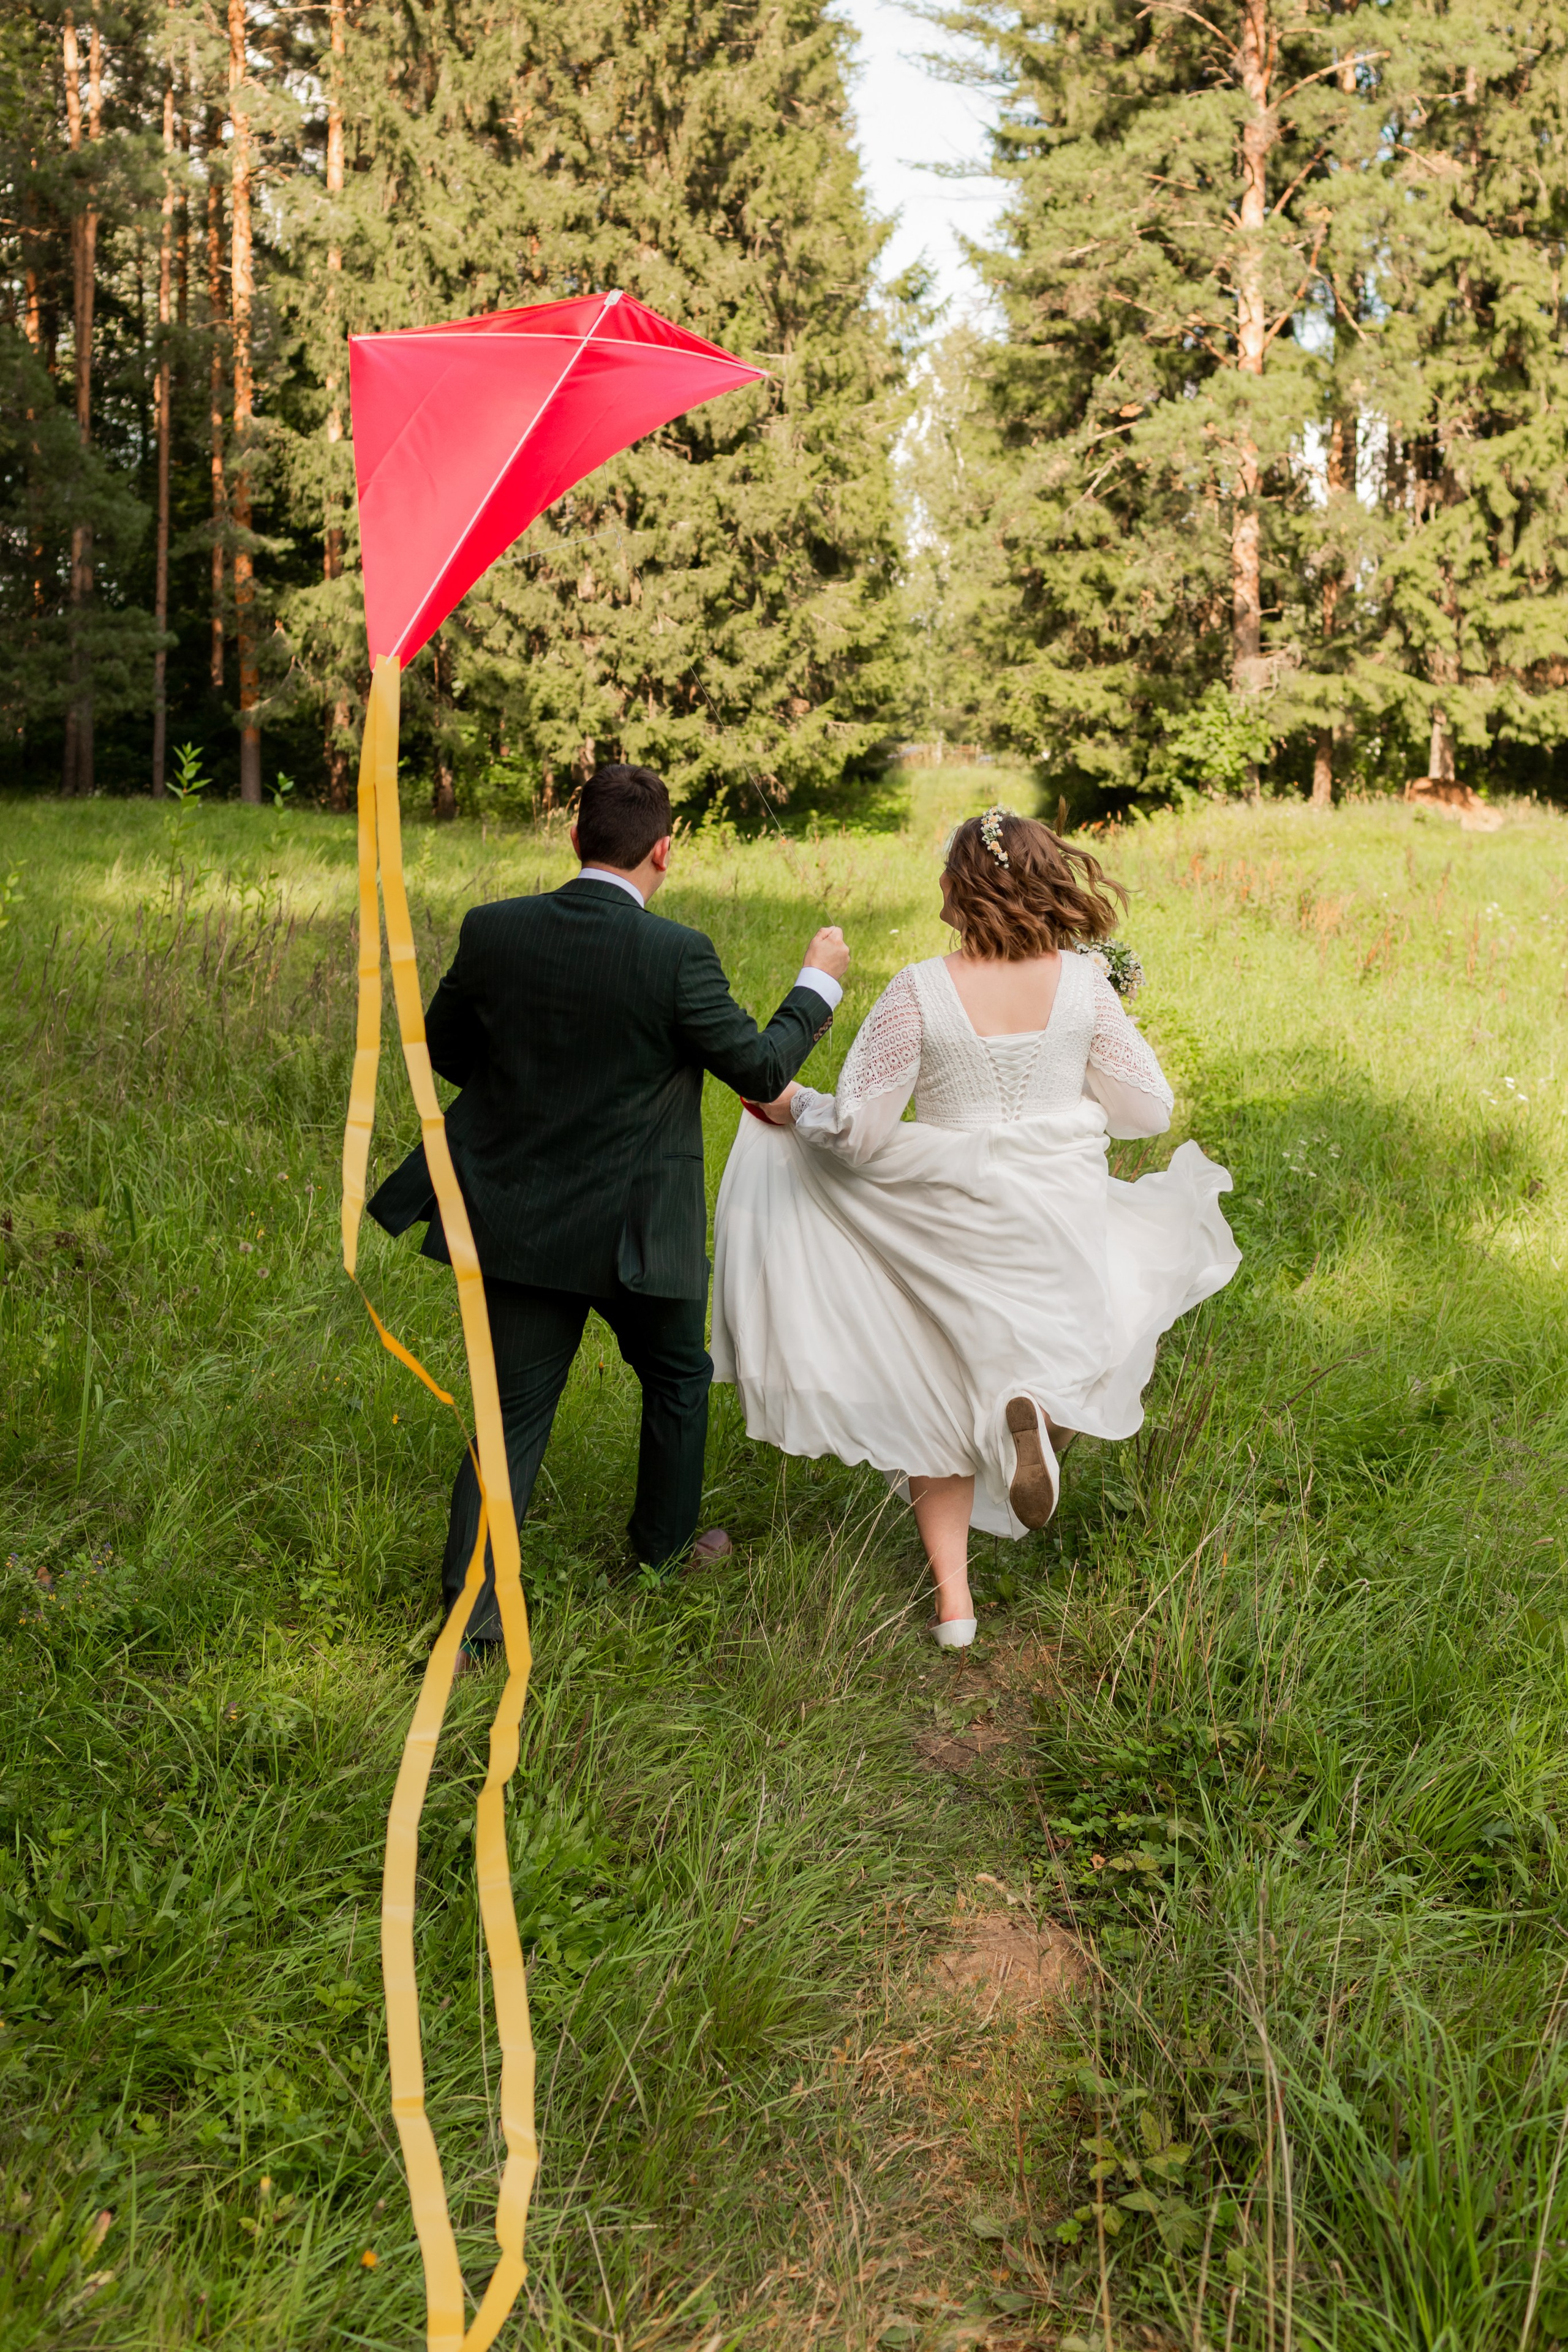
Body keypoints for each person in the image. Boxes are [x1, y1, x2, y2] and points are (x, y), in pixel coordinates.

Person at [711, 806, 1239, 1648]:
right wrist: (1065, 1089)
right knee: (1095, 1318)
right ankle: (1033, 1414)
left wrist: (792, 1107)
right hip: (1057, 1210)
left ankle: (955, 1605)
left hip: (948, 1215)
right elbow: (1147, 1108)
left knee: (932, 1389)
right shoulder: (1080, 985)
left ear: (961, 890)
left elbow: (860, 1132)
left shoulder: (920, 988)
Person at [368, 761, 850, 1667]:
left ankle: (469, 1631)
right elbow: (757, 1069)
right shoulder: (676, 956)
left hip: (521, 1225)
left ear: (573, 838)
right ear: (663, 850)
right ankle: (664, 1555)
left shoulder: (494, 930)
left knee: (507, 1414)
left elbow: (446, 1045)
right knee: (675, 1378)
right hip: (642, 1233)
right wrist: (814, 987)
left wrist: (535, 1092)